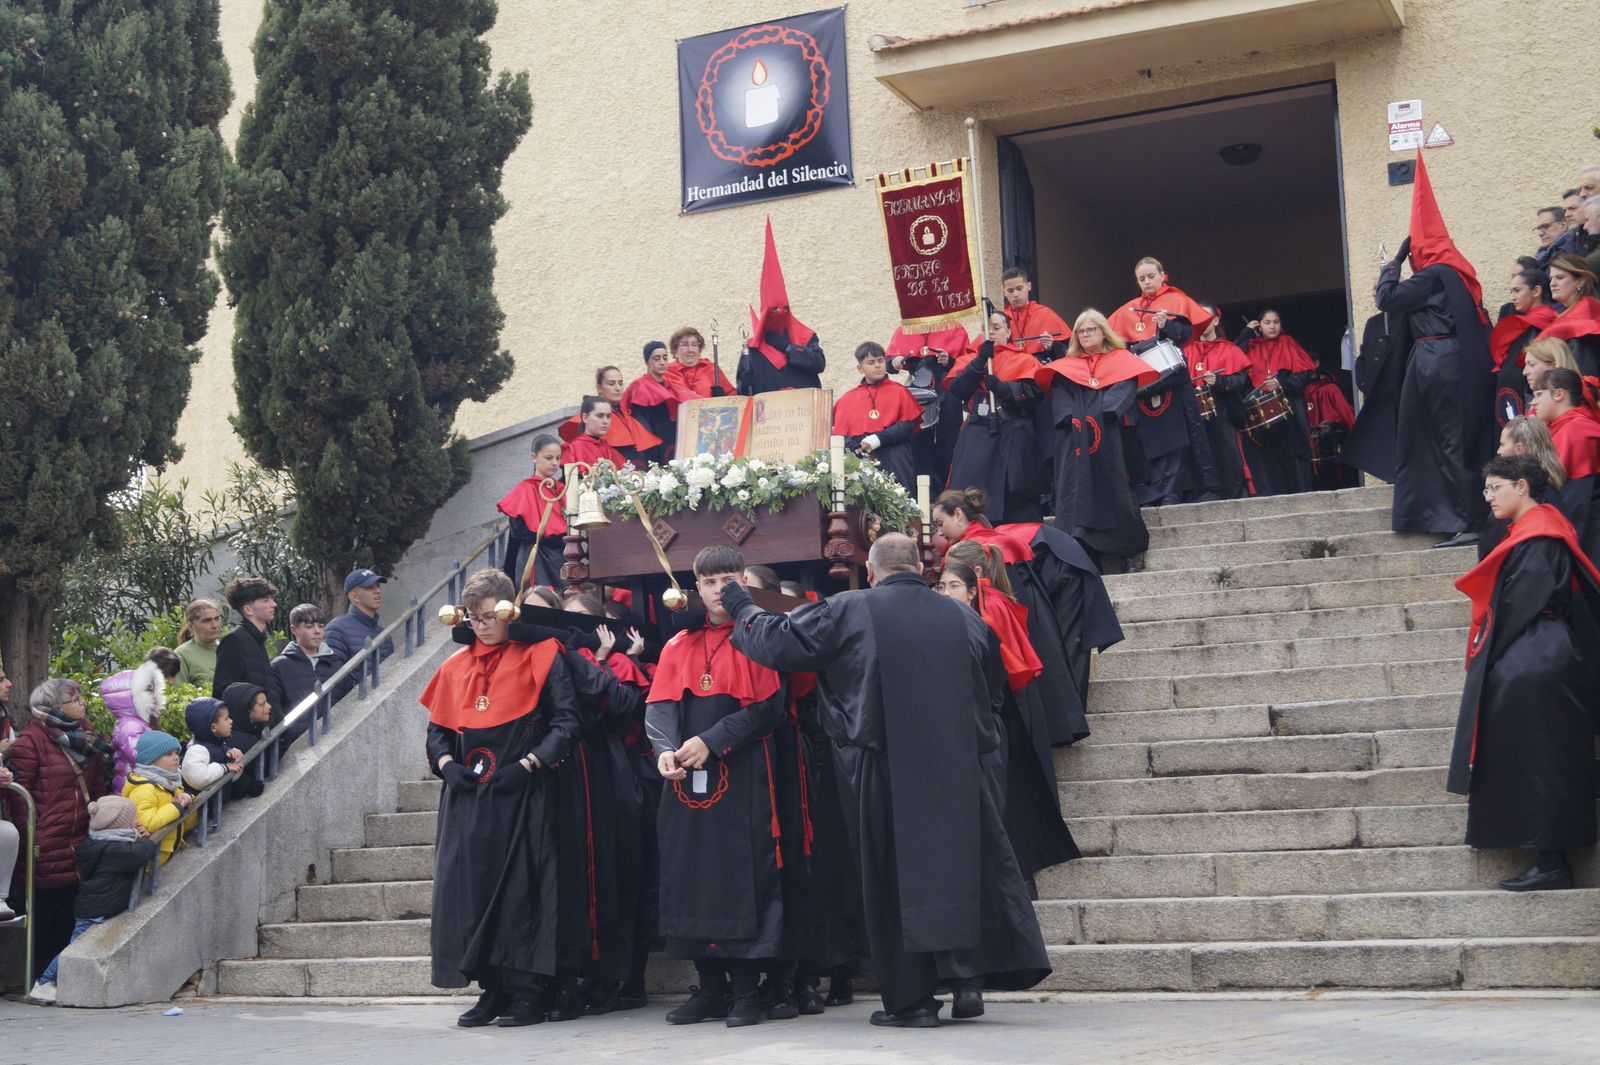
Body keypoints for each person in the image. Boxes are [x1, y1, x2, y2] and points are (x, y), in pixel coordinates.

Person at [725, 533, 1050, 1028]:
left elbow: (777, 643)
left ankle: (912, 1001)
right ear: (921, 570)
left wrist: (740, 605)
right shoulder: (963, 616)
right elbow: (991, 683)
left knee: (889, 878)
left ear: (872, 571)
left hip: (879, 764)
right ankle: (965, 980)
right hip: (957, 766)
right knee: (956, 872)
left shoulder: (851, 608)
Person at [423, 567, 583, 1028]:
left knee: (521, 891)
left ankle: (528, 994)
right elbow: (437, 732)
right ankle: (491, 989)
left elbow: (567, 723)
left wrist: (530, 765)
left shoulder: (542, 654)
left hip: (523, 794)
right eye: (473, 618)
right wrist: (447, 767)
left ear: (511, 610)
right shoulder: (454, 667)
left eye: (490, 615)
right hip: (469, 800)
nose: (482, 625)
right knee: (470, 892)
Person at [644, 546, 787, 1028]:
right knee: (689, 876)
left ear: (743, 583)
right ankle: (709, 990)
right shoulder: (677, 644)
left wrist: (713, 739)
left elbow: (770, 707)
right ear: (696, 587)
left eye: (728, 580)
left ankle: (746, 993)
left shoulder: (759, 637)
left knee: (740, 876)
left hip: (744, 773)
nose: (718, 590)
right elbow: (660, 707)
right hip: (685, 782)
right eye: (709, 582)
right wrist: (664, 749)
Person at [1446, 454, 1600, 892]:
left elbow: (1522, 601)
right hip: (1540, 650)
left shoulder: (1540, 536)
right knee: (1537, 754)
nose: (1488, 496)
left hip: (1538, 652)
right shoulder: (1541, 530)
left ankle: (1551, 861)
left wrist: (1488, 655)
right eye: (1486, 488)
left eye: (1496, 487)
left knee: (1541, 756)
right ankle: (1547, 857)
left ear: (1522, 487)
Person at [1346, 152, 1493, 548]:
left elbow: (1387, 299)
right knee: (1446, 438)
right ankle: (1453, 515)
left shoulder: (1432, 275)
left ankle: (1463, 517)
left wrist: (1392, 264)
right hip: (1445, 362)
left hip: (1434, 364)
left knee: (1444, 439)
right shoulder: (1456, 275)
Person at [935, 553, 1079, 883]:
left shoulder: (983, 619)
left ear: (973, 590)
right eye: (940, 586)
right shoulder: (973, 616)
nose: (945, 593)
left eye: (953, 586)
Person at [6, 679, 110, 988]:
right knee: (45, 918)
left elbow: (97, 787)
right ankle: (37, 979)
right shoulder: (29, 742)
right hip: (45, 846)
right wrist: (34, 840)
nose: (82, 704)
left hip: (80, 839)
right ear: (54, 708)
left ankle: (62, 979)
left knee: (69, 914)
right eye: (74, 700)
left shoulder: (86, 738)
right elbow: (19, 800)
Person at [1036, 309, 1158, 572]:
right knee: (1077, 491)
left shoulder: (1121, 361)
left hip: (1112, 438)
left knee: (1114, 489)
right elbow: (1062, 401)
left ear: (1104, 332)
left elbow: (1122, 392)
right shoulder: (1066, 368)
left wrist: (1100, 412)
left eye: (1091, 329)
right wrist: (1080, 416)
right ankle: (1083, 553)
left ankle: (1125, 552)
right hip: (1076, 441)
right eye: (1081, 331)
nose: (1086, 334)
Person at [1107, 258, 1217, 505]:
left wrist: (1166, 324)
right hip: (1144, 381)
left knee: (1175, 433)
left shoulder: (1176, 299)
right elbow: (1115, 341)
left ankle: (1175, 489)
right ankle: (1155, 488)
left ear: (1162, 276)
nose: (1146, 282)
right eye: (1141, 278)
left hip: (1171, 379)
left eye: (1150, 276)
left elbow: (1187, 335)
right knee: (1147, 434)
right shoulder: (1130, 308)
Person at [29, 797, 157, 1004]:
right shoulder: (114, 850)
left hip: (92, 906)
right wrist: (146, 840)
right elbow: (140, 854)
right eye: (133, 817)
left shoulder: (97, 844)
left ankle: (49, 983)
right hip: (97, 909)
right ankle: (43, 983)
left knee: (76, 947)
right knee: (74, 949)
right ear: (121, 823)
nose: (138, 820)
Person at [944, 311, 1047, 524]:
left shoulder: (1024, 360)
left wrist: (1003, 388)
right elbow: (958, 389)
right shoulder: (969, 360)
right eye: (986, 328)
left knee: (1015, 498)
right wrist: (979, 361)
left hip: (1012, 435)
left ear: (1008, 331)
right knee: (970, 495)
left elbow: (1035, 393)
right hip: (977, 436)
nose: (991, 331)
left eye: (997, 327)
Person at [1234, 309, 1317, 496]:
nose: (1272, 326)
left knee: (1293, 454)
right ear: (1259, 326)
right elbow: (1233, 359)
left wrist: (1280, 383)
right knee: (1266, 457)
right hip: (1261, 413)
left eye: (1276, 322)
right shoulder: (1252, 345)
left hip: (1289, 409)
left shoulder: (1289, 343)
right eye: (1267, 322)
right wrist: (1246, 333)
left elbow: (1302, 376)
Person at [740, 219, 826, 395]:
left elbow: (819, 363)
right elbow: (744, 394)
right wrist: (742, 385)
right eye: (773, 311)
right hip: (771, 417)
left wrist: (788, 348)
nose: (779, 314)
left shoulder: (805, 337)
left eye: (784, 309)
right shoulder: (751, 350)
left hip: (804, 411)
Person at [886, 323, 970, 490]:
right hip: (916, 387)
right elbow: (889, 363)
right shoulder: (905, 328)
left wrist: (950, 361)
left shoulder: (956, 328)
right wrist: (894, 361)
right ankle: (922, 492)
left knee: (948, 442)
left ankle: (946, 491)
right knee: (918, 441)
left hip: (947, 386)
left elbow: (967, 362)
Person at [832, 342, 922, 492]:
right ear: (860, 368)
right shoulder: (847, 399)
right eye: (871, 362)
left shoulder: (900, 391)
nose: (878, 366)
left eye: (881, 361)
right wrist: (857, 447)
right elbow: (840, 433)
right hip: (859, 460)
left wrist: (877, 439)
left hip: (894, 457)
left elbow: (907, 425)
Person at [1532, 367, 1600, 562]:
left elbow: (1576, 498)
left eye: (1538, 394)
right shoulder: (1564, 426)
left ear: (1559, 394)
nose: (1533, 401)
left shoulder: (1577, 430)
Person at [1184, 309, 1253, 499]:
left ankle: (1233, 494)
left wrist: (1220, 382)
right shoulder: (1187, 350)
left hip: (1223, 408)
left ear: (1215, 320)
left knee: (1228, 451)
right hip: (1195, 412)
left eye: (1204, 317)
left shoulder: (1229, 349)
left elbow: (1240, 380)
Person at [499, 433, 569, 592]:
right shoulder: (525, 489)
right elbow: (518, 530)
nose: (555, 463)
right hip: (536, 557)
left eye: (558, 458)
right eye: (549, 458)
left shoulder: (561, 490)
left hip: (560, 557)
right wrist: (550, 537)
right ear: (534, 457)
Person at [1491, 268, 1559, 425]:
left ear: (1536, 291)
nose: (1513, 298)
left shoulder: (1544, 323)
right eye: (1511, 292)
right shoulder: (1525, 321)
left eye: (1517, 291)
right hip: (1510, 395)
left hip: (1526, 397)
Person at [561, 366, 662, 467]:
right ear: (599, 388)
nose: (618, 388)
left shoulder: (627, 414)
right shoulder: (591, 418)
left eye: (620, 383)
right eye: (611, 384)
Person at [213, 576, 280, 726]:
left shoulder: (257, 639)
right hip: (250, 734)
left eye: (271, 599)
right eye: (265, 600)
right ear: (248, 609)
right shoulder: (234, 640)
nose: (273, 604)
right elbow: (224, 692)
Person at [120, 731, 194, 867]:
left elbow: (188, 823)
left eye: (176, 753)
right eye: (168, 754)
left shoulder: (170, 781)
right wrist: (177, 807)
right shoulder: (144, 788)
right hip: (152, 864)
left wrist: (188, 801)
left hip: (168, 854)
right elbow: (145, 823)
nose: (176, 757)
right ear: (151, 760)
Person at [270, 604, 342, 742]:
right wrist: (291, 736)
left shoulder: (335, 663)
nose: (317, 631)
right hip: (299, 742)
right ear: (294, 629)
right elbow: (275, 712)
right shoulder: (279, 667)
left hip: (336, 737)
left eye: (320, 626)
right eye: (309, 626)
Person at [102, 657, 172, 792]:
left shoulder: (142, 721)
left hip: (143, 785)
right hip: (135, 789)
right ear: (133, 696)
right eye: (148, 690)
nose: (154, 695)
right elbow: (142, 756)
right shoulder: (129, 726)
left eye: (154, 689)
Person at [324, 568, 395, 692]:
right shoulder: (336, 629)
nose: (377, 591)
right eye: (369, 588)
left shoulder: (385, 636)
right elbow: (332, 679)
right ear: (354, 597)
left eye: (378, 586)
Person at [623, 341, 694, 464]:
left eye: (665, 358)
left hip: (673, 441)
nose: (662, 362)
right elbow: (641, 424)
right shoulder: (640, 387)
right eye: (657, 358)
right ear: (647, 362)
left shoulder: (673, 386)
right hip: (654, 446)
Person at [180, 696, 259, 802]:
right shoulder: (197, 749)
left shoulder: (217, 742)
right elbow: (197, 778)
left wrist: (234, 759)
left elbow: (230, 777)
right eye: (226, 718)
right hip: (205, 811)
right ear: (213, 727)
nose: (231, 721)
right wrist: (225, 767)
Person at [1539, 254, 1600, 375]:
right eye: (1551, 279)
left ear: (1580, 281)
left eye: (1560, 277)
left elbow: (1585, 373)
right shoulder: (1567, 314)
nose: (1552, 284)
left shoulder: (1586, 320)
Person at [1304, 368, 1358, 491]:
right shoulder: (1300, 391)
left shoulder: (1329, 389)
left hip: (1327, 448)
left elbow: (1346, 418)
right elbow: (1349, 418)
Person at [999, 267, 1069, 360]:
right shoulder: (1000, 319)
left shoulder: (1045, 314)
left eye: (1019, 288)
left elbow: (1070, 350)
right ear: (1004, 293)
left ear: (1029, 286)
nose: (1015, 294)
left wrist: (1051, 346)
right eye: (1010, 291)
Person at [663, 325, 733, 399]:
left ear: (699, 350)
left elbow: (732, 396)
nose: (690, 350)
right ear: (675, 351)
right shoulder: (666, 373)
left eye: (694, 345)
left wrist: (724, 398)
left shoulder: (711, 369)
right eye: (684, 345)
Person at [561, 395, 629, 470]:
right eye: (600, 416)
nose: (605, 421)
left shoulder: (609, 449)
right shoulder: (573, 449)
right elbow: (569, 480)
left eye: (608, 416)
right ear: (585, 418)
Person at [173, 598, 225, 689]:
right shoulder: (181, 655)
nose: (215, 625)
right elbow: (178, 695)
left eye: (216, 619)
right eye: (207, 621)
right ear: (190, 626)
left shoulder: (228, 648)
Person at [221, 682, 273, 756]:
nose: (269, 706)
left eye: (267, 702)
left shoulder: (258, 730)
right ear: (246, 710)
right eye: (262, 704)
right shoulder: (235, 744)